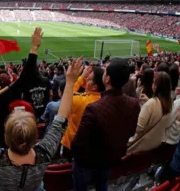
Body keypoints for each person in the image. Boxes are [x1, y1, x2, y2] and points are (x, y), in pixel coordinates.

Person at [0, 57, 83, 191]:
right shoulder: (45, 152)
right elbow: (62, 118)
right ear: (35, 136)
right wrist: (70, 82)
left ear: (6, 136)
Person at [71, 58, 141, 191]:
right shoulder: (134, 103)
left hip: (87, 163)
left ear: (107, 79)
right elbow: (131, 131)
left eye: (105, 72)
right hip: (110, 159)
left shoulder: (94, 108)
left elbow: (77, 144)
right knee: (102, 185)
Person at [127, 72, 173, 154]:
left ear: (156, 86)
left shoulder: (151, 104)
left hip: (139, 145)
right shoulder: (169, 102)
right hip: (154, 143)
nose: (152, 84)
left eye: (154, 82)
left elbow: (138, 128)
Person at [61, 65, 105, 151]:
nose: (86, 79)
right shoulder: (105, 99)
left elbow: (66, 97)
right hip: (93, 146)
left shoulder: (82, 100)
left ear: (94, 87)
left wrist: (81, 78)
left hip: (73, 144)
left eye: (89, 79)